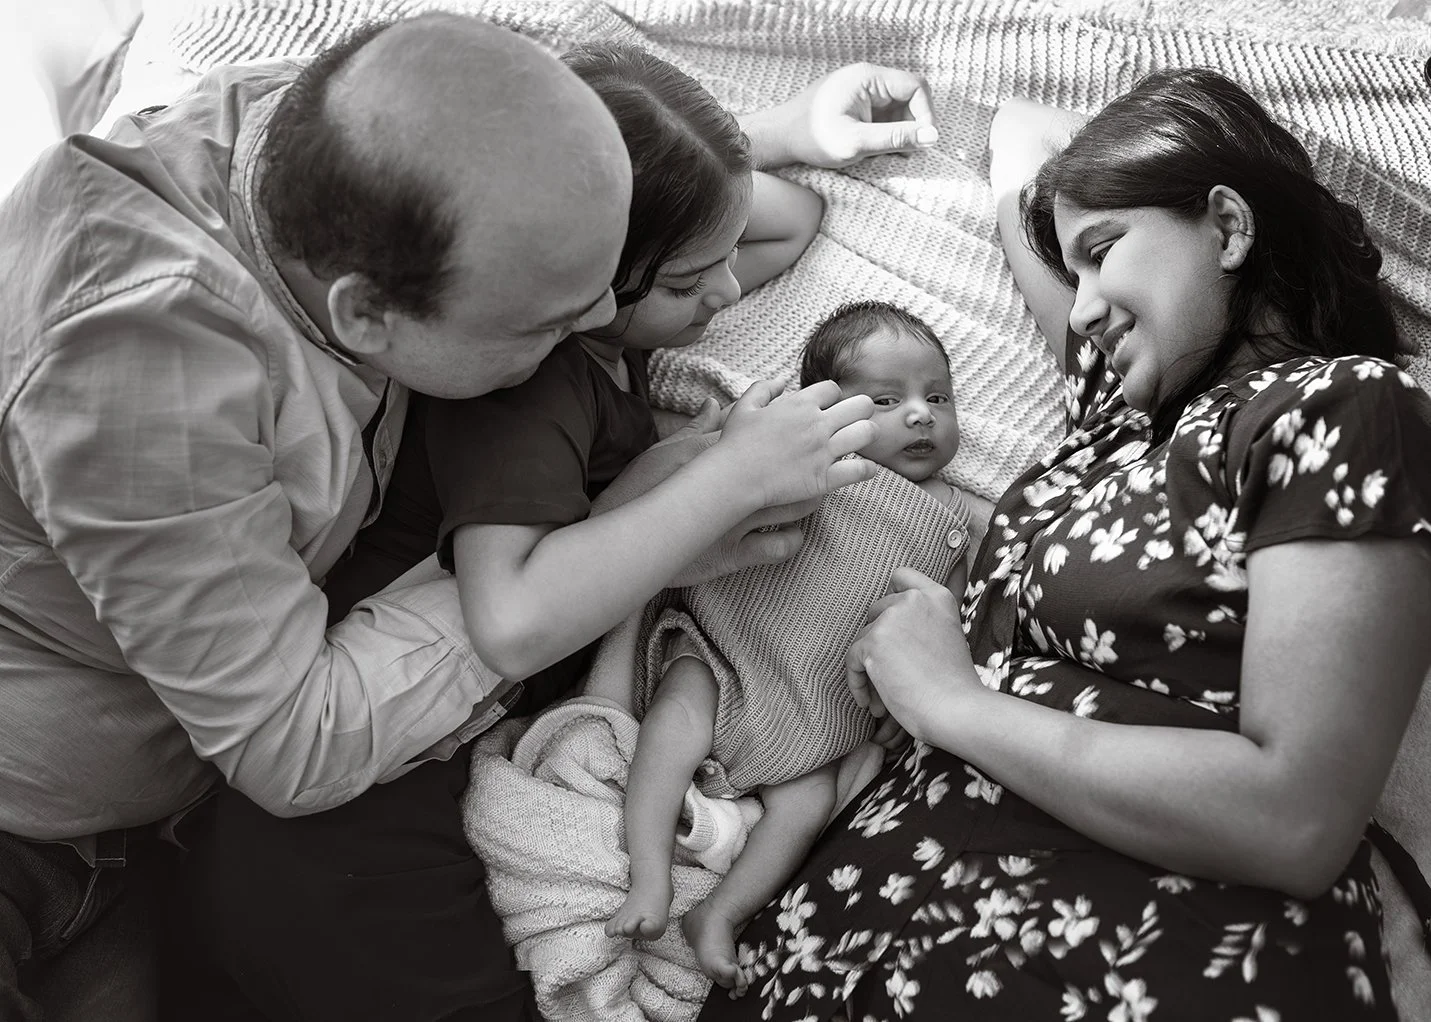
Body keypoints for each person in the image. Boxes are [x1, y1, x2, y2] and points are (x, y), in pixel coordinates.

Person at [0, 10, 944, 1020]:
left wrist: (763, 138)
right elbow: (292, 743)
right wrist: (637, 522)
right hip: (36, 825)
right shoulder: (144, 369)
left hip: (157, 821)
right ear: (367, 314)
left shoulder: (330, 130)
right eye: (546, 322)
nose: (592, 327)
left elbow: (509, 175)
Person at [698, 67, 1431, 1022]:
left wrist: (951, 703)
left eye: (1101, 252)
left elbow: (1292, 818)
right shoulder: (1116, 421)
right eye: (1071, 273)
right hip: (848, 958)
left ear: (1228, 225)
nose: (1081, 307)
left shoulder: (1342, 405)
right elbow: (1024, 137)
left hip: (1128, 972)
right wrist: (1087, 216)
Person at [611, 300, 973, 993]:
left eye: (937, 397)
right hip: (727, 650)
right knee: (674, 719)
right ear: (830, 410)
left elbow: (944, 619)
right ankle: (648, 876)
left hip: (819, 707)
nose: (921, 415)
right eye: (887, 400)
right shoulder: (815, 463)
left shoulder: (956, 517)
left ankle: (719, 913)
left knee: (805, 805)